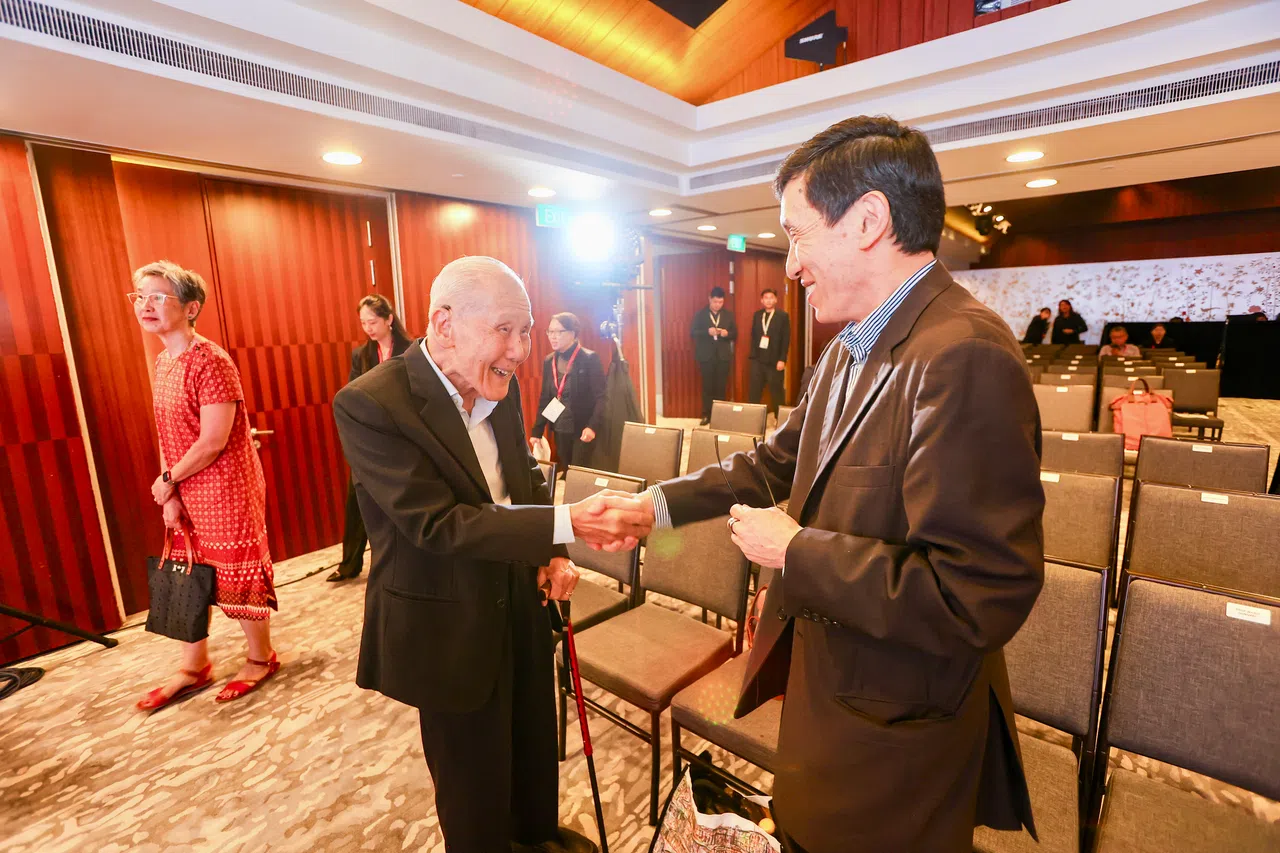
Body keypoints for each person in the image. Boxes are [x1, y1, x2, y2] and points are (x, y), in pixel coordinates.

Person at [595, 116, 1043, 852]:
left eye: (797, 234)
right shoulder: (848, 349)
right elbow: (772, 463)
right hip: (837, 689)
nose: (792, 264)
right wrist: (655, 506)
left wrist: (796, 552)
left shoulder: (963, 354)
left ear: (868, 221)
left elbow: (978, 594)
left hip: (896, 729)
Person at [332, 256, 649, 853]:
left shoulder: (497, 383)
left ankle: (535, 839)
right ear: (444, 324)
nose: (521, 349)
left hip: (521, 599)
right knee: (473, 788)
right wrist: (569, 522)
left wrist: (553, 553)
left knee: (533, 753)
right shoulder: (372, 403)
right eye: (505, 330)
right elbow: (437, 523)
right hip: (448, 622)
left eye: (526, 331)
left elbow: (520, 479)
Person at [131, 261, 280, 711]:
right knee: (189, 575)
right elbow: (167, 434)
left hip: (226, 487)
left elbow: (213, 441)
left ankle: (261, 657)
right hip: (184, 485)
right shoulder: (163, 361)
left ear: (191, 307)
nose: (145, 305)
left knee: (235, 573)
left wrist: (168, 479)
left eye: (158, 297)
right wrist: (170, 492)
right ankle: (194, 666)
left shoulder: (211, 361)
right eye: (140, 296)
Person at [329, 294, 414, 582]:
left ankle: (403, 560)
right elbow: (353, 392)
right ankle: (349, 564)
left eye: (373, 322)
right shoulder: (361, 355)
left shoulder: (410, 349)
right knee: (357, 498)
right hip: (370, 435)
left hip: (401, 435)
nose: (368, 328)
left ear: (389, 319)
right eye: (364, 323)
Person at [530, 312, 606, 470]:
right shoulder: (549, 360)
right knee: (566, 468)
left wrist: (592, 426)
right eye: (550, 331)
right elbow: (545, 397)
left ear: (573, 333)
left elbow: (602, 397)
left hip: (582, 428)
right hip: (559, 426)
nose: (553, 336)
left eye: (559, 332)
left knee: (579, 472)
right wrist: (537, 431)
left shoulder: (589, 359)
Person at [690, 286, 736, 424]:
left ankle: (719, 416)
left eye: (720, 302)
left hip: (723, 357)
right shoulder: (700, 314)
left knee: (721, 387)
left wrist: (727, 334)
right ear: (709, 299)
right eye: (715, 302)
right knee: (707, 387)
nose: (718, 305)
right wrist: (707, 332)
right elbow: (693, 333)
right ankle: (706, 414)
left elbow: (735, 334)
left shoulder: (728, 315)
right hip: (706, 356)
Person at [747, 288, 791, 415]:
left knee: (776, 391)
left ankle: (780, 419)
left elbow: (785, 339)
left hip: (775, 361)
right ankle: (752, 417)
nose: (768, 300)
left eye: (771, 297)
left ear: (776, 299)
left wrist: (782, 359)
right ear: (762, 300)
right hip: (758, 359)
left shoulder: (782, 316)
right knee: (754, 391)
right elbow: (753, 336)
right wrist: (753, 357)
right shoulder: (757, 315)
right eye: (766, 298)